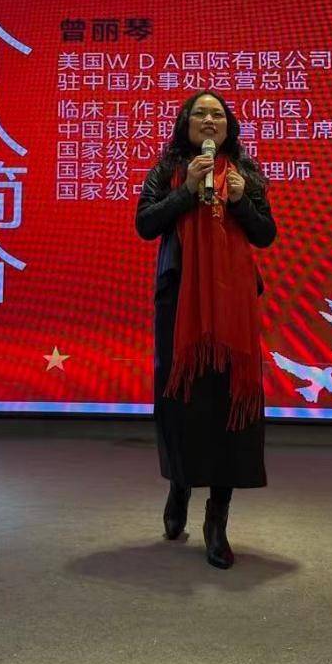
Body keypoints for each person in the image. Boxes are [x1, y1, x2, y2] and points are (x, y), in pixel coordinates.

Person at [134, 90, 276, 569]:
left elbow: (265, 234)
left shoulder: (244, 172)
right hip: (181, 305)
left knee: (228, 409)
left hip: (233, 306)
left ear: (228, 126)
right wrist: (186, 190)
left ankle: (218, 518)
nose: (210, 120)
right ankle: (180, 484)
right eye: (201, 113)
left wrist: (239, 200)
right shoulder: (168, 169)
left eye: (218, 114)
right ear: (186, 124)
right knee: (183, 403)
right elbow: (145, 224)